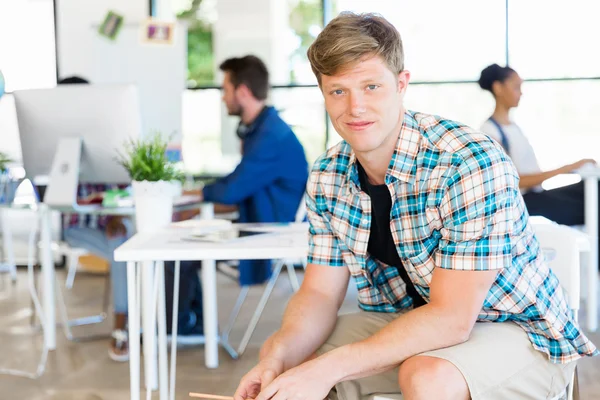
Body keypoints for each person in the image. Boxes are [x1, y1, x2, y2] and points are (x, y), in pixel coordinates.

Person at [234, 13, 597, 400]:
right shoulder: (327, 174)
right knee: (289, 361)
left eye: (371, 86)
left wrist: (330, 367)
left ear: (401, 84)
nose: (355, 107)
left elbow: (453, 318)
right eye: (338, 91)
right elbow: (320, 294)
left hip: (518, 330)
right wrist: (281, 356)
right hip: (409, 321)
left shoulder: (466, 162)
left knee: (424, 377)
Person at [58, 76, 203, 362]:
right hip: (76, 225)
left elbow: (120, 186)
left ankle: (153, 318)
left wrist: (112, 212)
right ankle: (123, 324)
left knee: (136, 239)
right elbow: (52, 195)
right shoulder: (56, 142)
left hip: (112, 219)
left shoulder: (105, 136)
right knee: (120, 248)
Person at [198, 55, 309, 286]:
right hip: (263, 219)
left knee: (183, 254)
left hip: (275, 228)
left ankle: (190, 322)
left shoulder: (269, 136)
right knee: (188, 245)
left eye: (226, 89)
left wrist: (196, 196)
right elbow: (239, 180)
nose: (223, 97)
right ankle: (192, 322)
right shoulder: (262, 129)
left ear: (243, 92)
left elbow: (233, 190)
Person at [478, 64, 599, 265]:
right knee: (592, 199)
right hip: (525, 204)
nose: (521, 93)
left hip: (536, 196)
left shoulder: (513, 127)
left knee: (593, 190)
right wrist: (566, 168)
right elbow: (513, 182)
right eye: (516, 87)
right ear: (498, 88)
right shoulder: (490, 132)